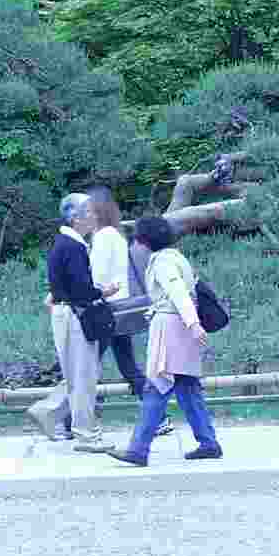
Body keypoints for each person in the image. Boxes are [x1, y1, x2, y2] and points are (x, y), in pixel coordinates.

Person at [109, 217, 222, 466]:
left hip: (171, 328)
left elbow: (178, 293)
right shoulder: (177, 257)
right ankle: (208, 443)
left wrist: (193, 324)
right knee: (187, 387)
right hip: (180, 326)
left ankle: (138, 450)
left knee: (157, 387)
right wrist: (192, 323)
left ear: (144, 241)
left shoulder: (162, 262)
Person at [28, 193, 114, 452]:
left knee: (77, 376)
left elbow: (62, 285)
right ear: (75, 217)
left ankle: (49, 412)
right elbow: (81, 289)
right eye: (89, 212)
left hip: (64, 313)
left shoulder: (63, 243)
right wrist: (103, 291)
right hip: (74, 315)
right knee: (84, 377)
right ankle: (86, 435)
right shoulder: (74, 247)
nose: (94, 216)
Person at [85, 186, 172, 439]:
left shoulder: (103, 237)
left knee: (88, 365)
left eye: (87, 210)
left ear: (96, 211)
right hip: (119, 309)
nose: (84, 215)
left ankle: (73, 420)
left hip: (107, 309)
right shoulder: (115, 234)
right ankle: (158, 417)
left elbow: (98, 276)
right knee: (127, 366)